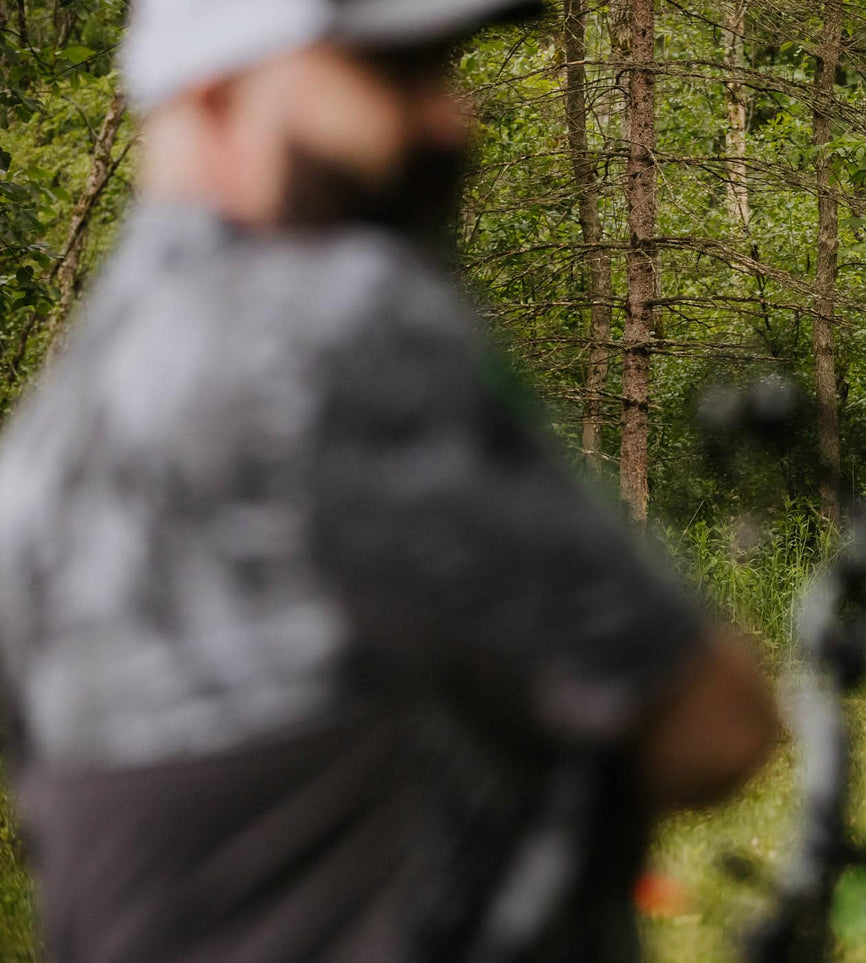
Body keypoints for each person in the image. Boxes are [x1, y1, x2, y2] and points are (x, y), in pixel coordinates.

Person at [0, 2, 779, 961]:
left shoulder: (46, 438)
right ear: (214, 95)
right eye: (393, 74)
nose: (451, 119)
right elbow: (710, 724)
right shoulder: (341, 322)